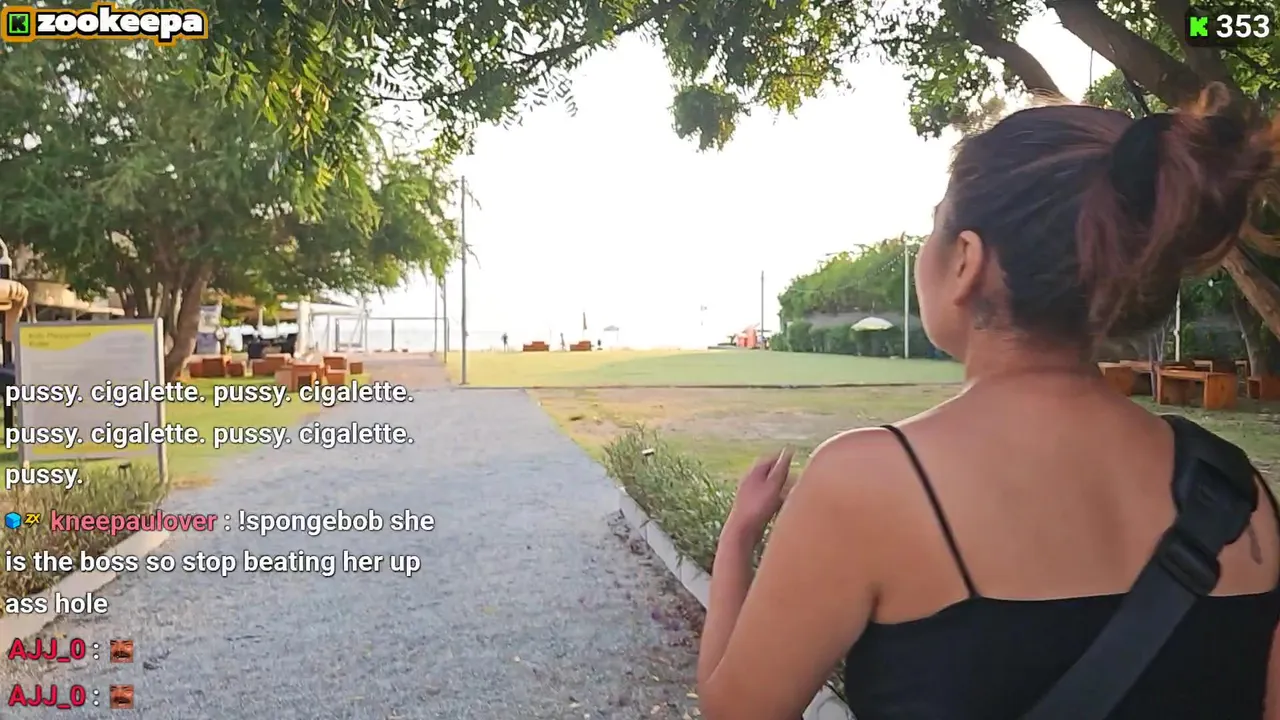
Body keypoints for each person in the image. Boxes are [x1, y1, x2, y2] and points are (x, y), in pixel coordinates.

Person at [695, 88, 1280, 720]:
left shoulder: (871, 484)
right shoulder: (1238, 493)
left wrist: (738, 538)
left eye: (935, 225)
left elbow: (736, 713)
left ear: (967, 262)